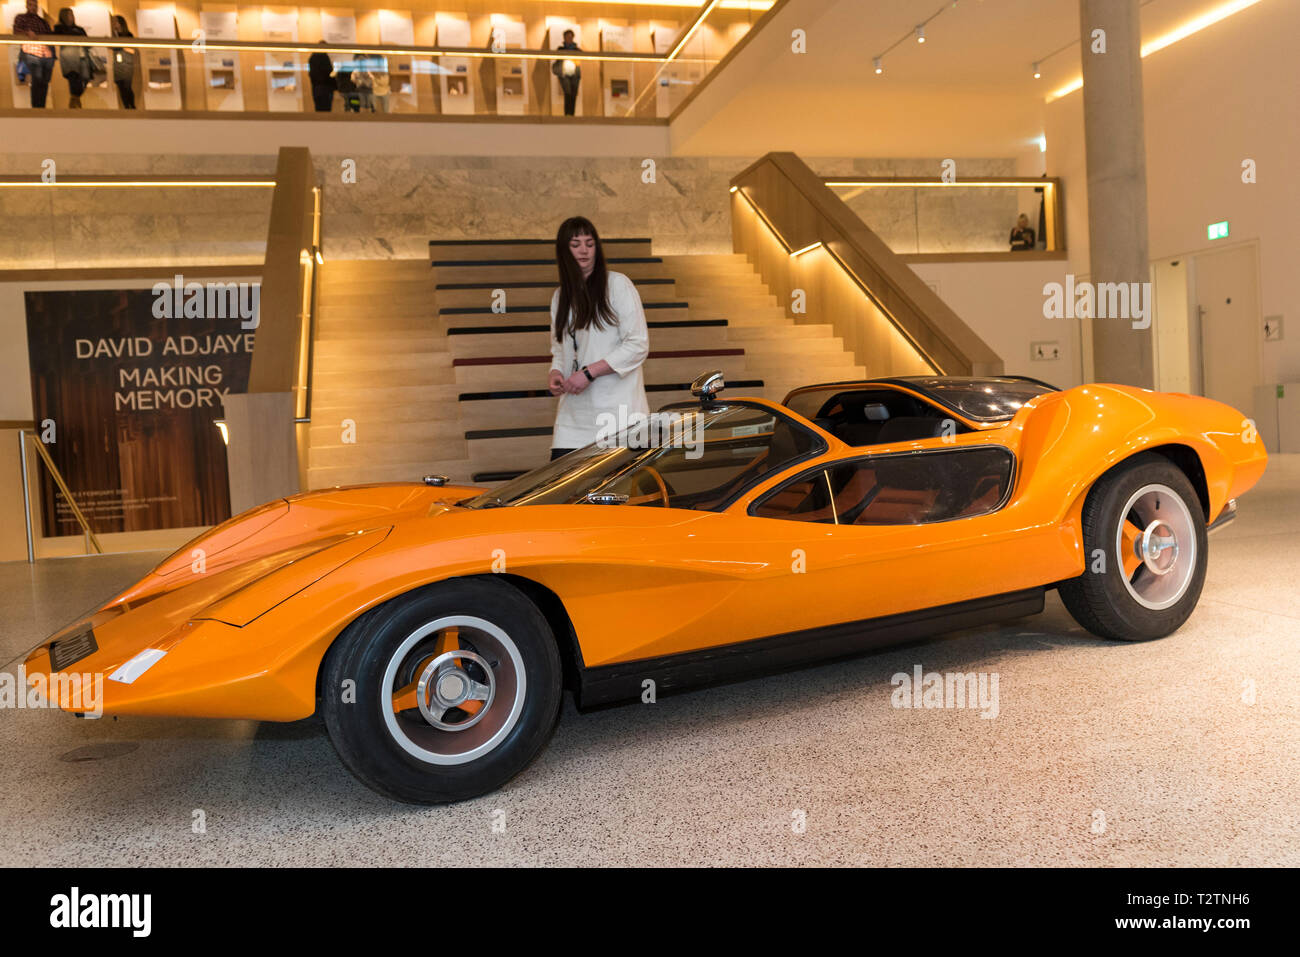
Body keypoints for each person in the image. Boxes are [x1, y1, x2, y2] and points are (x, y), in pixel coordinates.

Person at [547, 216, 650, 459]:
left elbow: (638, 345)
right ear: (564, 250)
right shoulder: (559, 297)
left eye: (589, 243)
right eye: (575, 244)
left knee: (635, 489)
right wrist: (555, 372)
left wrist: (588, 372)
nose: (584, 250)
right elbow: (559, 348)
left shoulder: (617, 285)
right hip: (574, 416)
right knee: (562, 490)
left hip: (618, 413)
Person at [13, 0, 55, 109]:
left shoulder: (43, 21)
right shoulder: (21, 18)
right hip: (30, 50)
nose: (33, 7)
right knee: (37, 77)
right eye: (31, 5)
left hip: (45, 51)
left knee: (45, 80)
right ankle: (36, 107)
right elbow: (16, 30)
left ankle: (42, 105)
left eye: (35, 6)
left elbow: (50, 36)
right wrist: (27, 33)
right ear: (27, 6)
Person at [52, 7, 89, 108]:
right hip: (69, 57)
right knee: (73, 78)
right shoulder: (59, 28)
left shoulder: (79, 29)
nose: (71, 17)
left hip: (81, 57)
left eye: (72, 15)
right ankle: (75, 101)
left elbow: (87, 41)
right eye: (69, 15)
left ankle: (74, 99)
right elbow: (55, 36)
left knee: (85, 78)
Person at [552, 29, 581, 116]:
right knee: (567, 93)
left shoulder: (577, 50)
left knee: (573, 94)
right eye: (568, 37)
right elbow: (557, 60)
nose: (569, 38)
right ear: (564, 38)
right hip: (564, 74)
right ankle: (567, 114)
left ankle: (572, 113)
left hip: (575, 74)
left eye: (571, 37)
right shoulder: (560, 49)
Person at [110, 15, 135, 109]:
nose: (113, 24)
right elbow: (112, 48)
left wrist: (120, 47)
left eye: (115, 21)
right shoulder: (113, 35)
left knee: (127, 86)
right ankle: (126, 107)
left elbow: (131, 49)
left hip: (127, 63)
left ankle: (132, 106)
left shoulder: (129, 35)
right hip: (117, 64)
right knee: (120, 86)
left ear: (120, 23)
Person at [307, 42, 334, 112]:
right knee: (326, 110)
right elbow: (328, 73)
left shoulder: (313, 57)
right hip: (325, 88)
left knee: (319, 110)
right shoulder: (323, 57)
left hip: (317, 89)